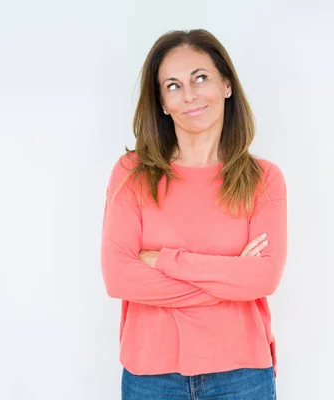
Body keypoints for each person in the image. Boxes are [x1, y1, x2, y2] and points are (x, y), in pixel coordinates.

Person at [100, 29, 287, 400]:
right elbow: (119, 277)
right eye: (173, 85)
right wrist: (231, 277)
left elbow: (263, 277)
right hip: (151, 375)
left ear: (227, 85)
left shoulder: (263, 178)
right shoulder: (132, 173)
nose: (189, 95)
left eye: (200, 78)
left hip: (241, 374)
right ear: (162, 103)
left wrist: (165, 262)